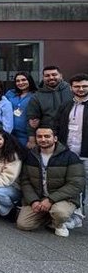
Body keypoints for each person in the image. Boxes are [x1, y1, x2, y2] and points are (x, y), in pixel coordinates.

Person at [17, 125, 85, 237]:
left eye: (47, 136)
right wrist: (33, 201)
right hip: (39, 197)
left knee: (59, 212)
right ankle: (50, 217)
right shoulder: (31, 156)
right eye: (39, 136)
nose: (43, 139)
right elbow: (25, 181)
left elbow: (76, 184)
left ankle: (60, 223)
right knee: (23, 224)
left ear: (55, 138)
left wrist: (51, 200)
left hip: (63, 198)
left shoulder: (70, 157)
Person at [53, 73, 88, 226]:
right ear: (71, 88)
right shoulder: (66, 105)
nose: (81, 89)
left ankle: (80, 215)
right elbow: (57, 126)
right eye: (77, 86)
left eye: (84, 86)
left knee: (85, 185)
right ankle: (76, 216)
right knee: (74, 185)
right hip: (68, 153)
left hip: (86, 153)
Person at [27, 66, 73, 149]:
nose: (51, 77)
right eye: (47, 75)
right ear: (43, 78)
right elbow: (32, 120)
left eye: (54, 74)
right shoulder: (37, 96)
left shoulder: (72, 90)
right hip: (47, 136)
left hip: (71, 134)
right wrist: (32, 140)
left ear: (61, 76)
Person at [5, 72, 38, 148]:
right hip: (10, 134)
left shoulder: (36, 95)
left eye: (23, 80)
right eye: (18, 81)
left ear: (29, 80)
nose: (20, 83)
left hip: (27, 135)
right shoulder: (10, 93)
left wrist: (32, 139)